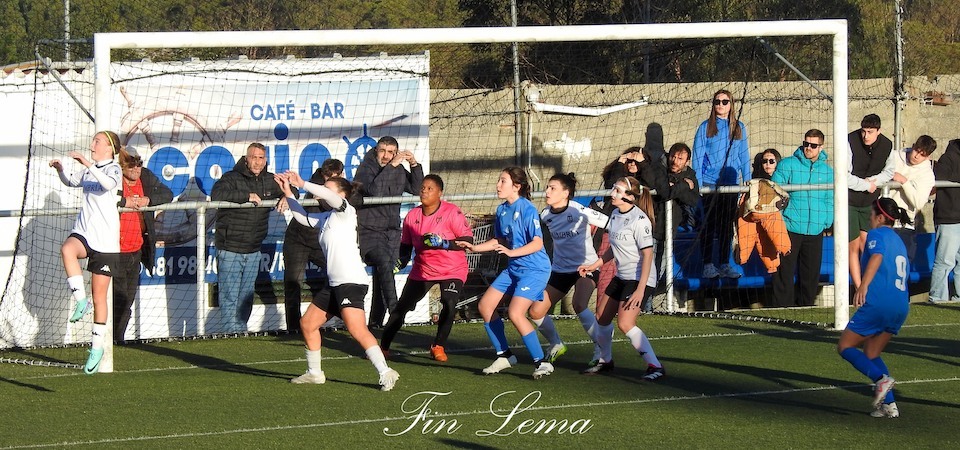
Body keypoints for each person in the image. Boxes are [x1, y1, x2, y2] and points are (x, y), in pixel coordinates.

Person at [276, 171, 400, 391]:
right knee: (308, 324)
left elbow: (331, 197)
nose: (323, 190)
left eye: (328, 187)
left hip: (350, 282)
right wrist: (288, 192)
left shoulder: (345, 210)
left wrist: (303, 183)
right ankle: (315, 373)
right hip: (334, 284)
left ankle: (385, 372)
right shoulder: (326, 218)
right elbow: (302, 218)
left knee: (357, 329)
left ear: (342, 194)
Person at [457, 167, 554, 379]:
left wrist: (511, 252)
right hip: (514, 269)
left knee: (515, 312)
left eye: (503, 181)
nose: (498, 185)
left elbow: (537, 243)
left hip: (535, 270)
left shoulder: (527, 209)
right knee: (485, 306)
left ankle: (542, 362)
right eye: (499, 181)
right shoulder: (501, 210)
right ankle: (504, 355)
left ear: (516, 186)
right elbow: (500, 240)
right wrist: (475, 247)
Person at [49, 130, 125, 374]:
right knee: (67, 249)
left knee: (100, 295)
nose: (93, 144)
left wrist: (88, 164)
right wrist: (61, 169)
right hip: (85, 232)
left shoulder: (114, 169)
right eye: (93, 141)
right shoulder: (90, 168)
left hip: (105, 241)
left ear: (109, 148)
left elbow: (108, 184)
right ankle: (80, 300)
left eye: (97, 141)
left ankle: (96, 347)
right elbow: (72, 181)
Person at [579, 176, 666, 381]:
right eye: (614, 189)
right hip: (622, 276)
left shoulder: (640, 220)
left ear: (630, 197)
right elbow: (614, 247)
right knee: (601, 318)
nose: (613, 194)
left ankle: (656, 366)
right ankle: (605, 361)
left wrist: (640, 289)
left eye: (617, 191)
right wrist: (595, 264)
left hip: (639, 279)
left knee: (625, 323)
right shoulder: (616, 214)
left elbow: (647, 255)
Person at [380, 174, 474, 362]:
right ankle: (383, 348)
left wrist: (443, 243)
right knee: (402, 307)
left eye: (430, 188)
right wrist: (401, 262)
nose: (424, 191)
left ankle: (438, 346)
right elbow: (406, 246)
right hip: (424, 269)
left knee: (449, 302)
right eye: (423, 187)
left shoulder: (452, 212)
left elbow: (467, 241)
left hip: (452, 269)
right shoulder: (412, 216)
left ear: (440, 193)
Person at [837, 197, 911, 418]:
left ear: (879, 217)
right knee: (871, 352)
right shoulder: (898, 240)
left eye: (871, 215)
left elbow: (877, 257)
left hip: (880, 302)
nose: (869, 218)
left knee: (845, 346)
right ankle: (890, 406)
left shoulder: (877, 235)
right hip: (900, 305)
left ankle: (881, 380)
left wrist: (863, 286)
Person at [532, 173, 609, 372]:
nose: (547, 192)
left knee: (579, 303)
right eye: (547, 187)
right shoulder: (545, 215)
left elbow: (609, 223)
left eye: (552, 188)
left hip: (586, 266)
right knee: (535, 311)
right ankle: (556, 344)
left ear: (566, 193)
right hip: (560, 269)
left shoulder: (579, 211)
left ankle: (601, 351)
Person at [210, 143, 286, 333]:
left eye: (261, 158)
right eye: (254, 157)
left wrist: (287, 196)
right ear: (246, 158)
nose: (257, 162)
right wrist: (246, 195)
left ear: (266, 160)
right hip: (230, 248)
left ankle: (240, 331)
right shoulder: (231, 177)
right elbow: (217, 193)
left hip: (253, 250)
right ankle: (230, 334)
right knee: (229, 296)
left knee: (246, 296)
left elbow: (293, 189)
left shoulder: (270, 180)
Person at [354, 136, 424, 328]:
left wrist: (414, 165)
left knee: (384, 275)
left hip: (392, 231)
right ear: (376, 150)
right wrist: (392, 166)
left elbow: (418, 189)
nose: (386, 156)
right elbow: (375, 190)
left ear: (396, 152)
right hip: (370, 231)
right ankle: (396, 311)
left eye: (391, 152)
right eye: (382, 151)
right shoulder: (365, 168)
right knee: (384, 264)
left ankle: (376, 323)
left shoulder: (399, 169)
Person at [113, 149, 173, 342]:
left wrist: (150, 200)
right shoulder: (113, 178)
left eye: (139, 164)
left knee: (128, 298)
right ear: (122, 165)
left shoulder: (145, 176)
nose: (137, 168)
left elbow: (167, 193)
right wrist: (125, 201)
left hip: (136, 248)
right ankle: (111, 338)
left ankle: (118, 338)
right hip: (114, 250)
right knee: (117, 298)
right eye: (132, 164)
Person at [771, 129, 834, 307]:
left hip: (815, 229)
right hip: (790, 227)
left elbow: (831, 199)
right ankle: (781, 309)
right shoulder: (787, 165)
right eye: (806, 144)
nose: (808, 148)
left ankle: (805, 307)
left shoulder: (828, 171)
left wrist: (825, 221)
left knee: (810, 274)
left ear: (821, 147)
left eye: (813, 145)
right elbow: (775, 192)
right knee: (784, 272)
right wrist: (781, 220)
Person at [282, 159, 346, 332]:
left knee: (340, 276)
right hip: (298, 239)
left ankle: (343, 317)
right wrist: (287, 195)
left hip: (320, 242)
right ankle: (294, 328)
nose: (328, 181)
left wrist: (324, 197)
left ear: (341, 175)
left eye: (334, 177)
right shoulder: (315, 183)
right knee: (293, 283)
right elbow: (318, 201)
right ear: (322, 174)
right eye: (326, 177)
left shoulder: (344, 191)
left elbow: (334, 204)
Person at [692, 89, 750, 279]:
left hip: (731, 185)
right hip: (709, 185)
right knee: (709, 225)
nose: (721, 105)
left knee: (726, 226)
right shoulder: (705, 127)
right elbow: (698, 156)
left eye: (725, 102)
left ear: (731, 104)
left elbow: (743, 156)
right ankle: (707, 264)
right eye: (717, 101)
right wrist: (699, 183)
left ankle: (724, 263)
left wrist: (747, 179)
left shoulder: (739, 127)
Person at [847, 114, 895, 290]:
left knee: (867, 244)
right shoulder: (850, 140)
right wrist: (865, 185)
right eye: (863, 131)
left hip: (870, 203)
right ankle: (859, 288)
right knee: (852, 246)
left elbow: (889, 172)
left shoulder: (887, 145)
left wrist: (873, 181)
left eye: (870, 132)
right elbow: (844, 175)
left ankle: (870, 286)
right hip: (850, 201)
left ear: (879, 131)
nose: (865, 136)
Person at [888, 135, 936, 260]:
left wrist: (904, 182)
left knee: (901, 262)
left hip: (903, 225)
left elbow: (919, 202)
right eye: (916, 151)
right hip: (881, 220)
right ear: (913, 146)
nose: (916, 156)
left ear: (928, 157)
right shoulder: (893, 157)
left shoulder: (927, 174)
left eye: (922, 155)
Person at [930, 138, 960, 303]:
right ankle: (937, 297)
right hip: (949, 218)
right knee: (945, 261)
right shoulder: (948, 157)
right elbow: (938, 176)